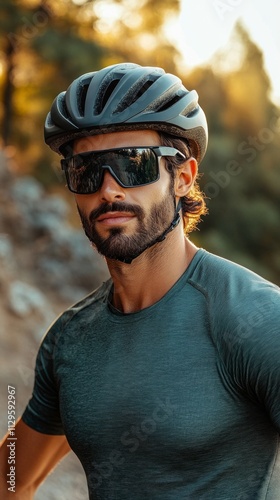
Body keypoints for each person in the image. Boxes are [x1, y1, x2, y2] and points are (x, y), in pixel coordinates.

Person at [0, 62, 279, 500]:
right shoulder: (69, 340)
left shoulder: (257, 318)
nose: (109, 189)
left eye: (133, 164)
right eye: (86, 170)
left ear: (183, 178)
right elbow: (12, 478)